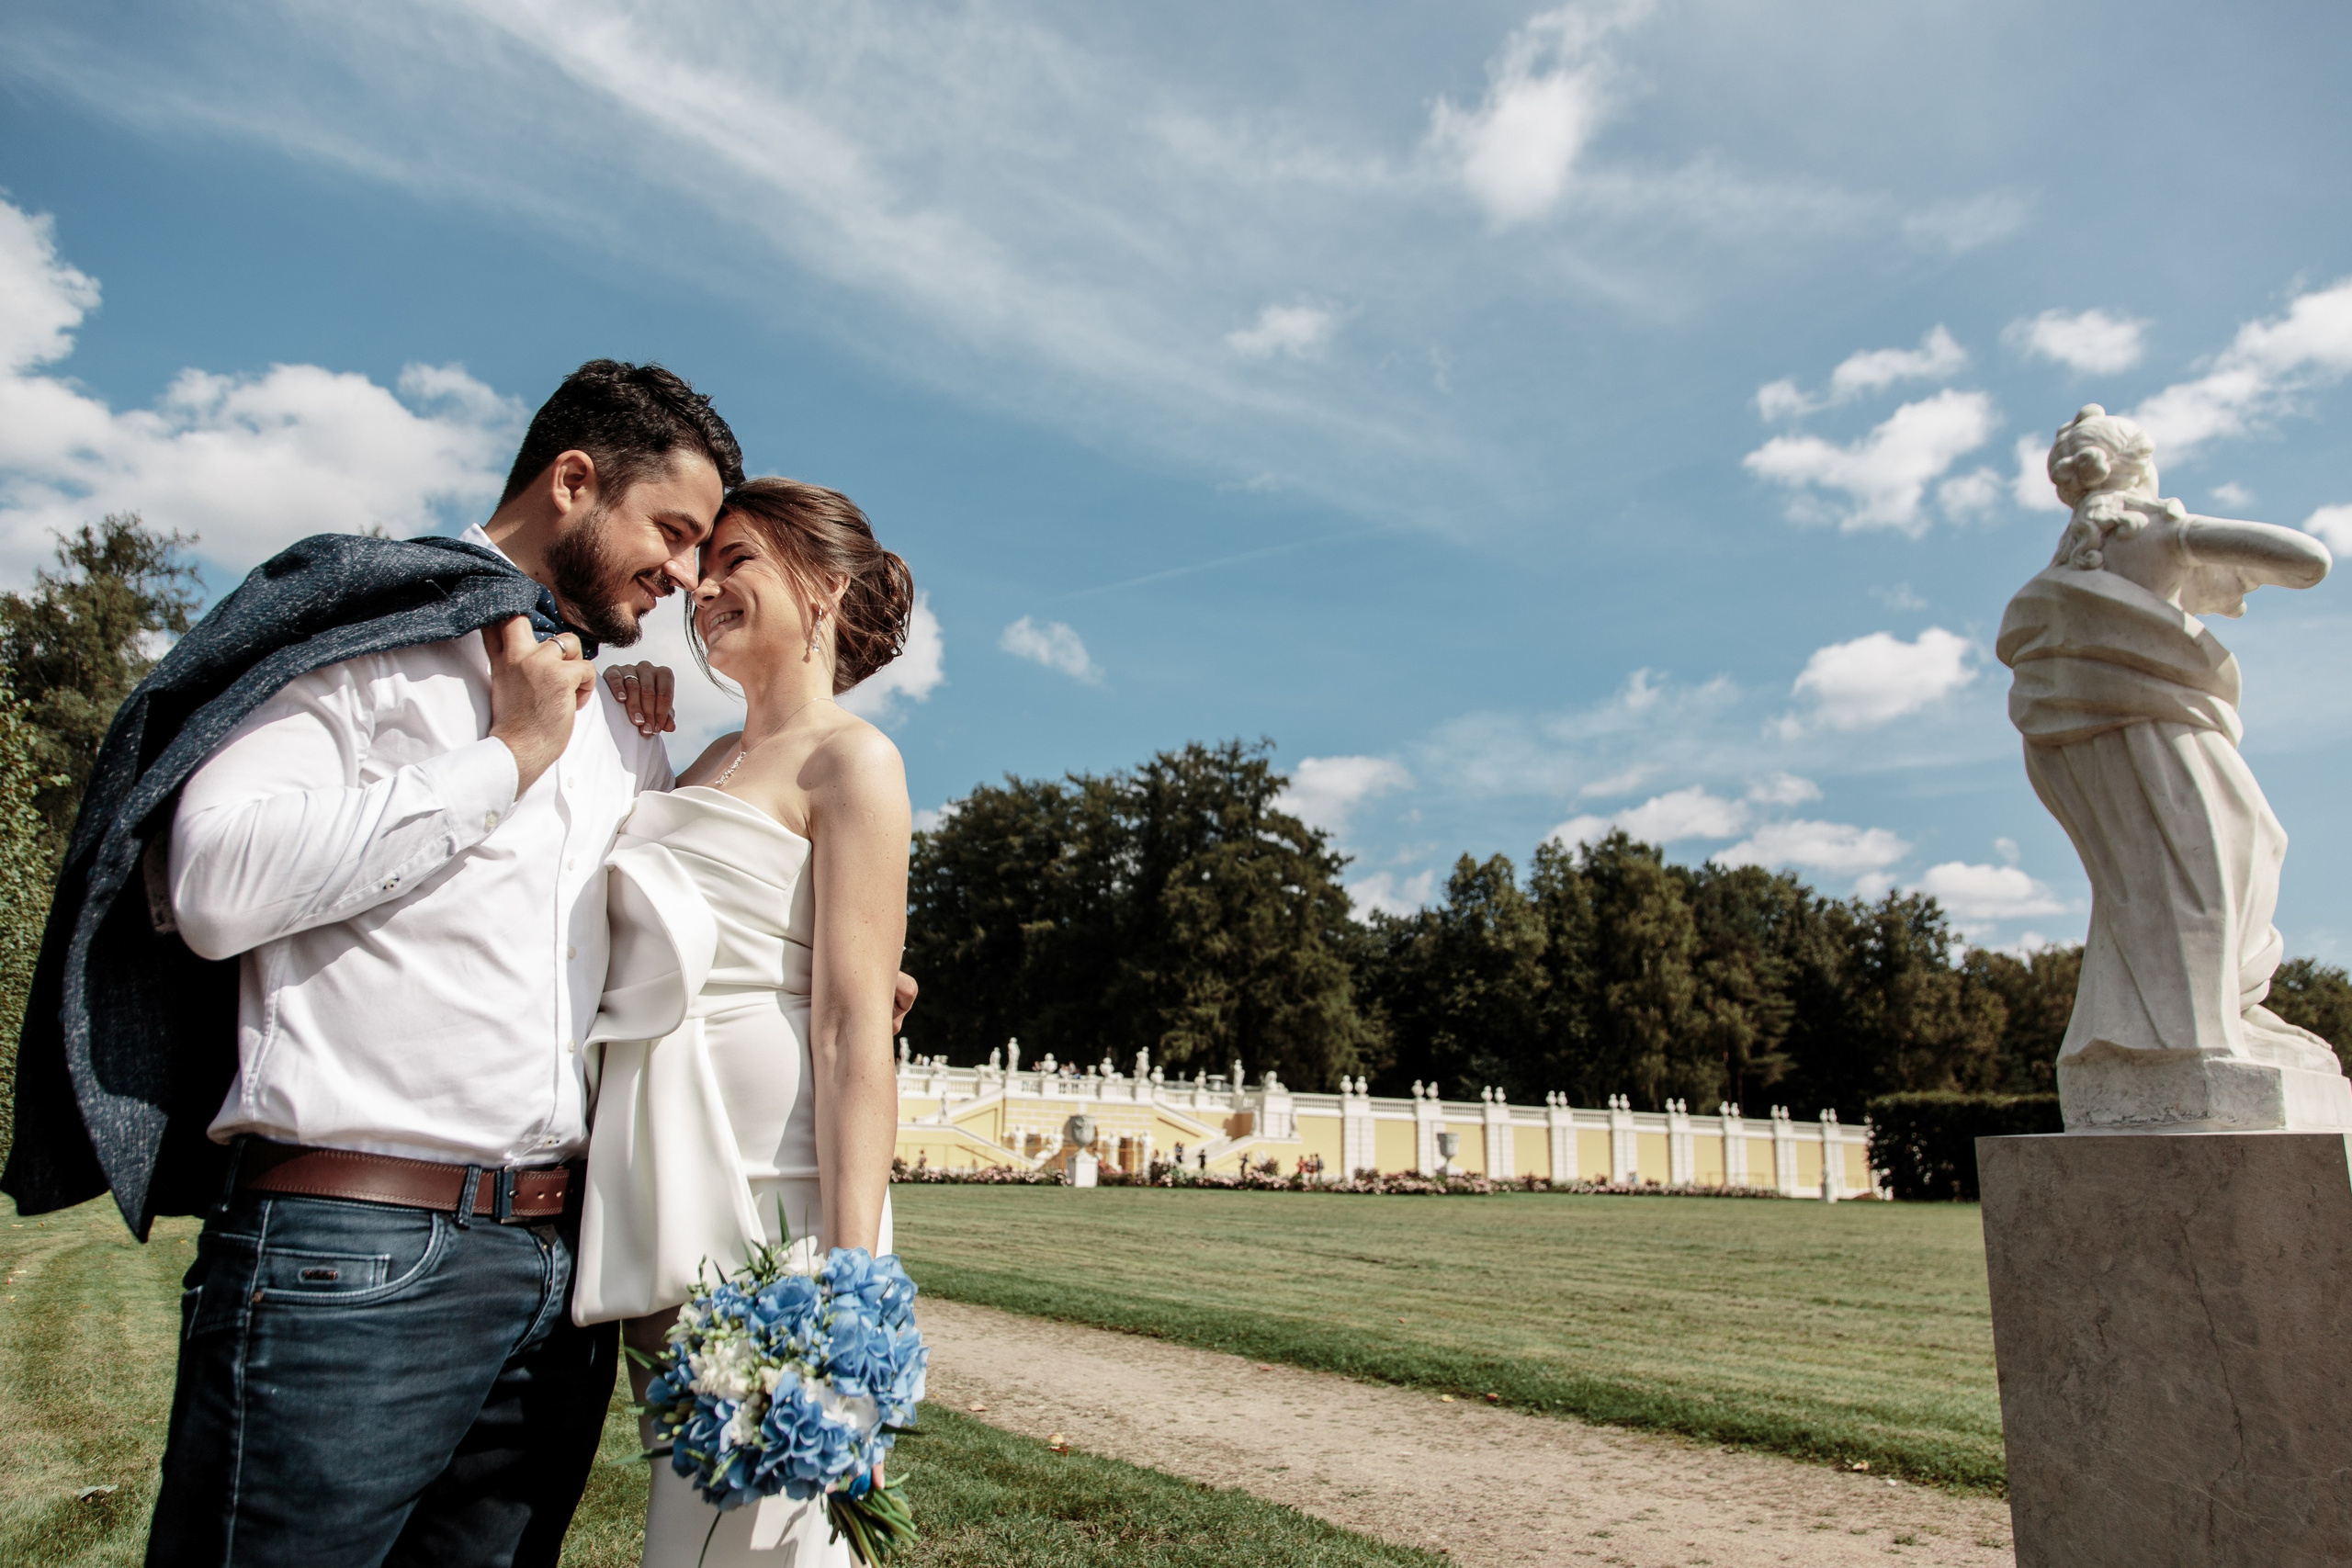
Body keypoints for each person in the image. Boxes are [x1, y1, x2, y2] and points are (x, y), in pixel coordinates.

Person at [141, 359, 739, 1566]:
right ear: (574, 480)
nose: (686, 575)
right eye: (673, 533)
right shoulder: (367, 640)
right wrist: (505, 755)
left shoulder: (626, 711)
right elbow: (209, 885)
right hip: (352, 1253)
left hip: (557, 1276)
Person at [569, 477, 914, 1565]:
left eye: (737, 561)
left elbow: (857, 1028)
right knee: (692, 1509)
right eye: (700, 566)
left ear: (826, 588)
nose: (700, 585)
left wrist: (851, 1285)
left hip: (777, 1196)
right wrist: (620, 716)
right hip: (660, 1175)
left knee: (765, 1531)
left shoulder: (852, 760)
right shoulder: (700, 757)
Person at [1996, 403, 2338, 1100]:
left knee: (2155, 878)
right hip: (2161, 724)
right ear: (2138, 463)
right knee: (2215, 859)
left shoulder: (2072, 561)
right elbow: (2311, 561)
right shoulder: (2154, 530)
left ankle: (2195, 1018)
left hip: (2083, 733)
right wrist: (2195, 537)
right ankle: (2201, 1032)